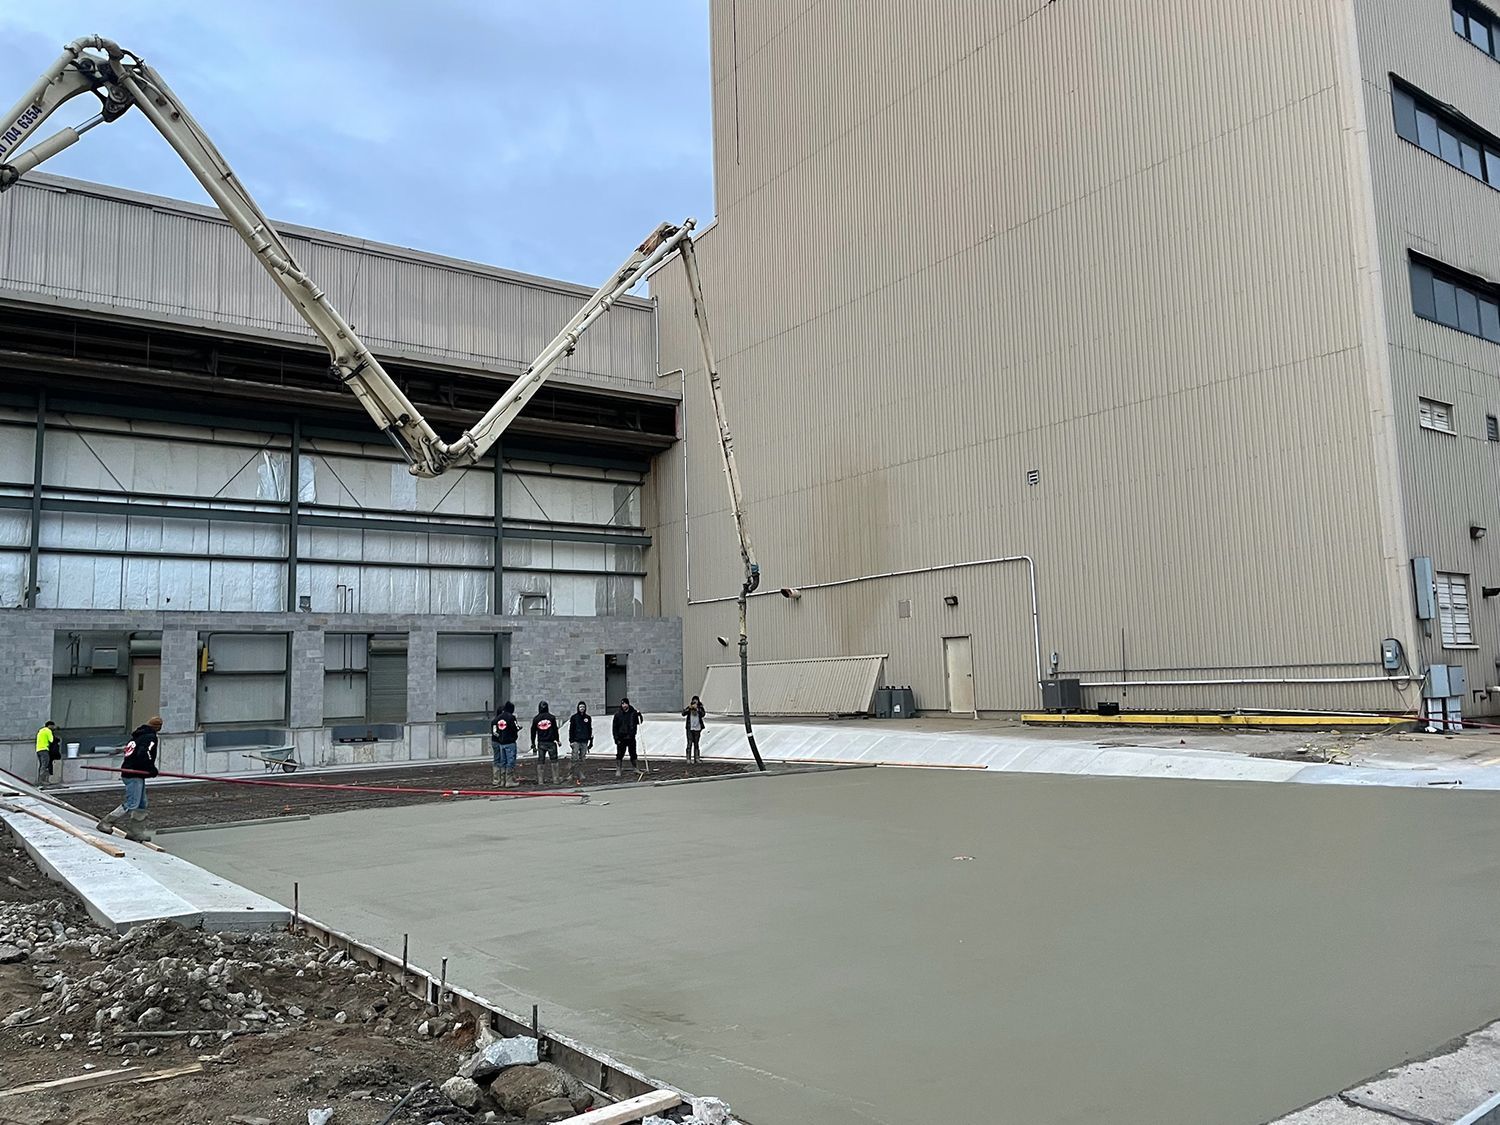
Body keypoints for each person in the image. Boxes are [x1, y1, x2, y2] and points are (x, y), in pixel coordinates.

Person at [95, 716, 161, 842]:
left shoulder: (138, 736)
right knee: (132, 803)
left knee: (142, 804)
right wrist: (150, 769)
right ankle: (106, 822)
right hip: (133, 774)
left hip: (133, 772)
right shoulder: (150, 737)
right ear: (157, 727)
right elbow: (144, 754)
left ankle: (135, 832)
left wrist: (147, 770)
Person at [491, 702, 522, 788]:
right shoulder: (511, 717)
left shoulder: (498, 718)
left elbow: (495, 731)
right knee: (510, 761)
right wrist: (518, 729)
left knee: (502, 762)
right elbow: (515, 728)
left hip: (501, 743)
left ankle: (502, 781)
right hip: (510, 742)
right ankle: (509, 781)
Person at [530, 701, 562, 786]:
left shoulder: (536, 718)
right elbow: (555, 729)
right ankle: (556, 779)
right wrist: (558, 740)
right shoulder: (551, 717)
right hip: (551, 742)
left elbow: (533, 732)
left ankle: (541, 781)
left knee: (541, 762)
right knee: (554, 761)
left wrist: (533, 743)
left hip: (541, 743)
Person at [612, 697, 642, 778]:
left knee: (633, 753)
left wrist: (639, 715)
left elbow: (639, 722)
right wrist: (616, 738)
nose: (624, 705)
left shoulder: (633, 713)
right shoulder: (618, 714)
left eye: (625, 703)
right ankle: (618, 768)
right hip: (621, 737)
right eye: (623, 704)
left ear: (628, 704)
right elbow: (614, 728)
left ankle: (635, 768)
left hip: (631, 737)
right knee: (620, 754)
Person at [567, 701, 593, 786]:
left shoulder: (588, 718)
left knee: (582, 758)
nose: (582, 708)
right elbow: (571, 730)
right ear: (578, 708)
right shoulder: (574, 718)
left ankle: (580, 773)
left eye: (583, 707)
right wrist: (571, 741)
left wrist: (590, 740)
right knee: (574, 758)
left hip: (584, 741)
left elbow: (589, 729)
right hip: (576, 741)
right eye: (580, 707)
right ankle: (571, 774)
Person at [681, 696, 707, 764]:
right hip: (690, 728)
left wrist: (698, 709)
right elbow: (683, 714)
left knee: (696, 744)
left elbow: (703, 714)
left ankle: (697, 758)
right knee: (689, 744)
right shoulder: (689, 708)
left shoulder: (700, 708)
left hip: (697, 728)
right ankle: (688, 759)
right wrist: (689, 708)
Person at [34, 720, 58, 787]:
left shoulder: (40, 731)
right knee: (45, 765)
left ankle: (41, 780)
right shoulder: (48, 731)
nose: (53, 727)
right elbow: (51, 740)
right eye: (53, 726)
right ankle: (42, 781)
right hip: (44, 750)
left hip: (38, 750)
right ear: (50, 726)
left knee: (42, 765)